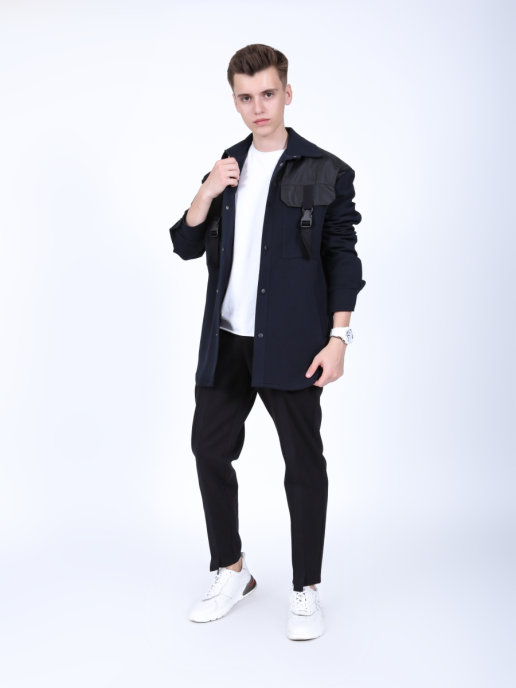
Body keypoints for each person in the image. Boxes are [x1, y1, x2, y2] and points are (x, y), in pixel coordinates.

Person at [168, 43, 365, 640]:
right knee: (208, 449)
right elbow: (184, 244)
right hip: (228, 341)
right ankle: (232, 570)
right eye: (246, 97)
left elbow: (342, 257)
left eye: (268, 94)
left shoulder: (326, 171)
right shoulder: (226, 166)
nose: (258, 107)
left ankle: (306, 589)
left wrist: (339, 336)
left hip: (294, 344)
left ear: (287, 93)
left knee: (303, 463)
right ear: (235, 100)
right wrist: (206, 191)